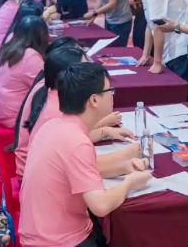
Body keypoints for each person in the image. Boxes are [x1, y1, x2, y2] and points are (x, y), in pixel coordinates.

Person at [19, 62, 151, 247]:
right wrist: (130, 183)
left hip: (38, 235)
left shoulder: (53, 126)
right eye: (110, 91)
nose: (113, 96)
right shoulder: (76, 141)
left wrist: (124, 168)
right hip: (59, 242)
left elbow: (82, 171)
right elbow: (101, 206)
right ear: (94, 100)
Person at [15, 47, 139, 180]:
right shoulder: (58, 110)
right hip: (35, 177)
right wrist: (126, 155)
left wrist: (104, 131)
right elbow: (87, 166)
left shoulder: (51, 91)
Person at [107, 0, 188, 79]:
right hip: (174, 49)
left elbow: (159, 26)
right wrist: (145, 55)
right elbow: (150, 25)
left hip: (180, 50)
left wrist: (157, 62)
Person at [0, 15, 48, 128]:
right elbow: (44, 88)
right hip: (16, 119)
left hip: (0, 113)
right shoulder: (30, 56)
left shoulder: (7, 47)